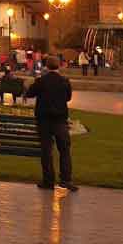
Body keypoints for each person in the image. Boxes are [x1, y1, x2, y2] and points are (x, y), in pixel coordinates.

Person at [24, 56, 76, 191]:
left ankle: (48, 181)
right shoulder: (64, 81)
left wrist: (29, 85)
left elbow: (29, 94)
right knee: (64, 150)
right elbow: (68, 97)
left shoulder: (41, 81)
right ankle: (66, 179)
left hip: (44, 120)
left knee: (46, 151)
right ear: (58, 66)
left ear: (46, 66)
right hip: (60, 119)